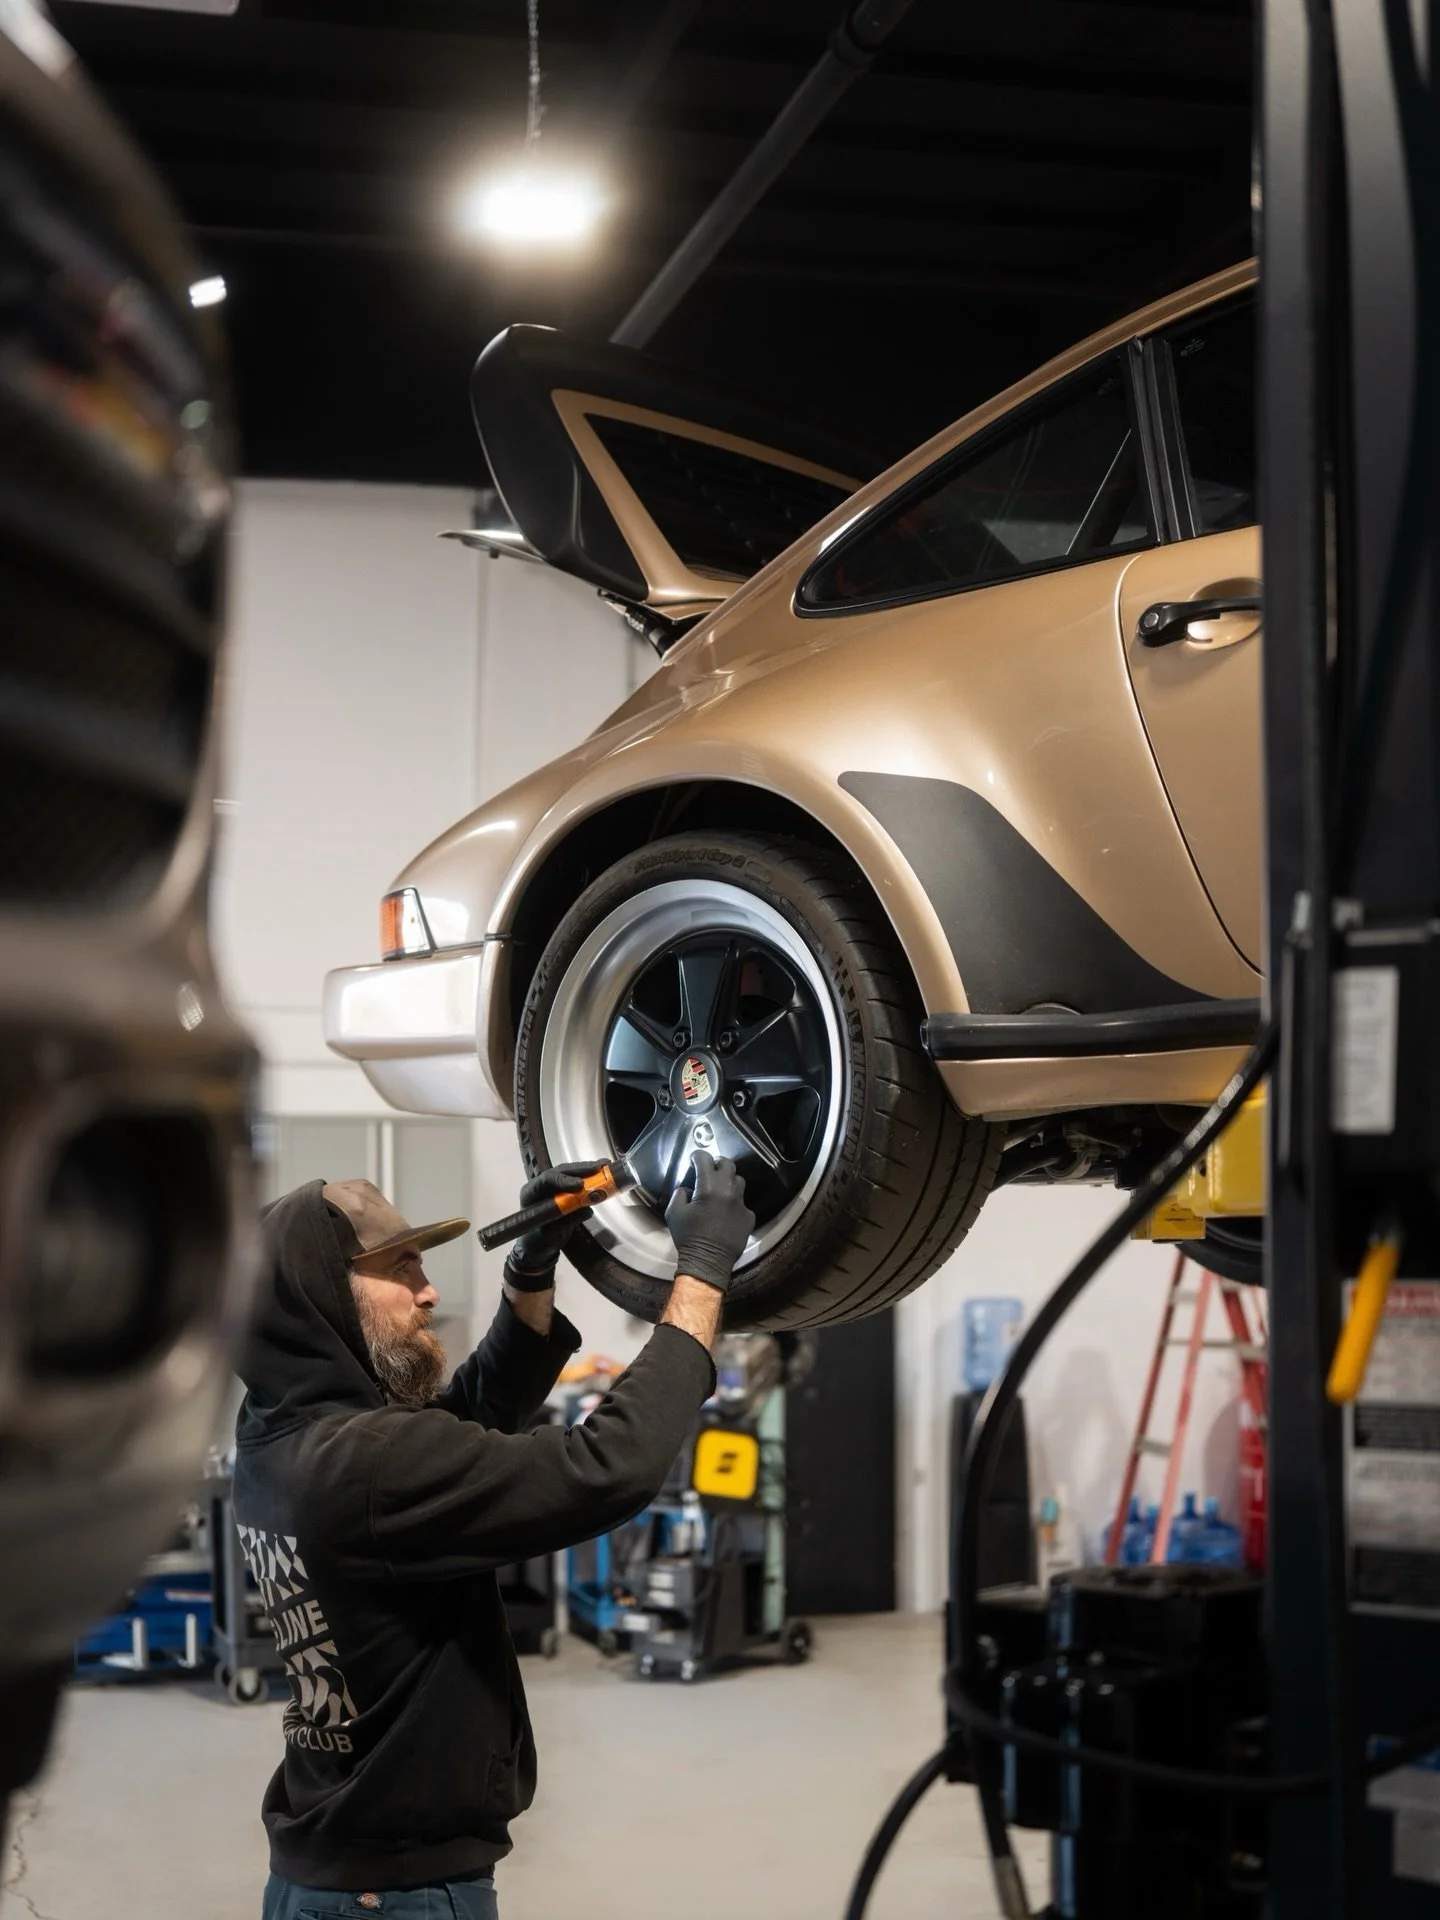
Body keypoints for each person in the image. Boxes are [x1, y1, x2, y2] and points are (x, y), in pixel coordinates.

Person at [233, 1151, 754, 1920]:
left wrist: (530, 1269)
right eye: (402, 1269)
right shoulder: (364, 1466)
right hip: (396, 1898)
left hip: (332, 1874)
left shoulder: (279, 1436)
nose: (430, 1290)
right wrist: (703, 1272)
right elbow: (611, 1466)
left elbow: (462, 1422)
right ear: (322, 1299)